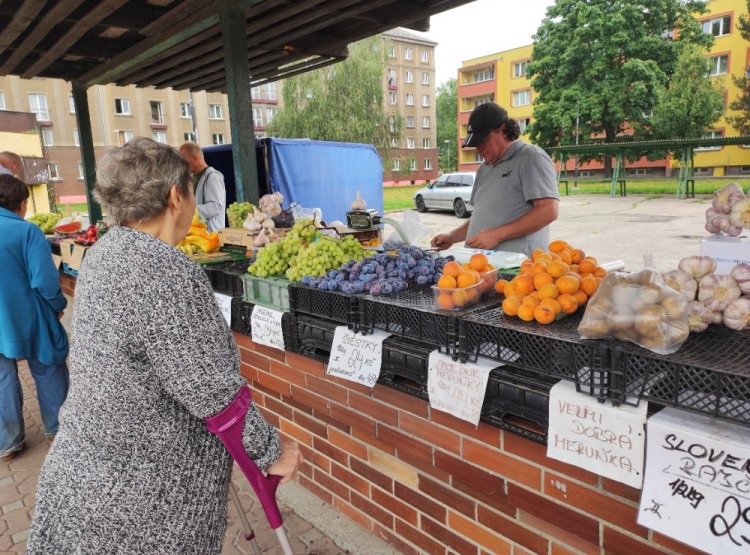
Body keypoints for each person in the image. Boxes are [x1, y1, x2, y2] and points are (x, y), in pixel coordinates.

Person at [27, 138, 302, 554]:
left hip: (85, 475)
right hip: (138, 499)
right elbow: (211, 390)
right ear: (177, 196)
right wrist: (270, 452)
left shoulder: (104, 252)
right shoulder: (163, 269)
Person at [0, 174, 69, 462]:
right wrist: (57, 305)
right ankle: (59, 430)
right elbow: (44, 281)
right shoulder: (27, 232)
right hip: (29, 315)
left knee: (2, 377)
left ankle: (7, 443)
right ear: (23, 203)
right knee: (48, 367)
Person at [431, 102, 559, 256]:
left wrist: (498, 234)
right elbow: (481, 218)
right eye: (475, 143)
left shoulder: (531, 157)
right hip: (481, 266)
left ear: (503, 130)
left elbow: (548, 210)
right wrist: (452, 236)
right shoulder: (484, 168)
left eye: (483, 140)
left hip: (517, 269)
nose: (478, 148)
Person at [179, 141, 226, 231]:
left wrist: (189, 210)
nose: (182, 165)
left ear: (195, 159)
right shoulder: (191, 177)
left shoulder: (213, 176)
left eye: (184, 161)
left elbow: (216, 207)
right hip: (198, 232)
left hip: (211, 234)